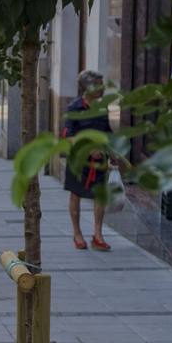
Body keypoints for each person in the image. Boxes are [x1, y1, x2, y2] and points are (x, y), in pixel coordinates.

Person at [63, 69, 113, 252]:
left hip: (99, 160)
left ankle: (98, 235)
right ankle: (77, 234)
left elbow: (107, 132)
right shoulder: (74, 107)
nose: (102, 88)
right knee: (75, 194)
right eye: (99, 84)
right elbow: (68, 136)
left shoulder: (102, 107)